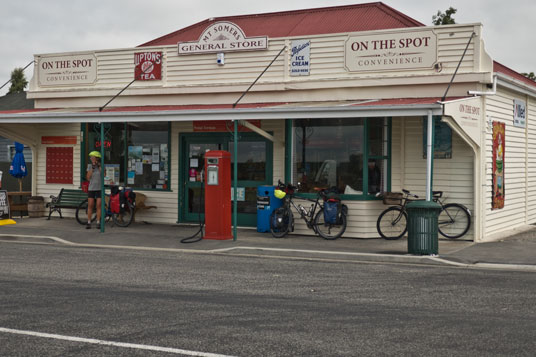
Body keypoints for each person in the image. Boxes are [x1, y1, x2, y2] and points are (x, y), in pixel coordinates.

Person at [86, 151, 102, 229]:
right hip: (91, 188)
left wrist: (99, 166)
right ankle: (89, 222)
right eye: (91, 157)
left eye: (93, 157)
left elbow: (104, 175)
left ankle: (98, 222)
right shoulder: (89, 166)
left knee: (98, 206)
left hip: (99, 188)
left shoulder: (101, 165)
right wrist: (92, 168)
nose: (91, 159)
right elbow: (88, 177)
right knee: (90, 205)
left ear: (97, 158)